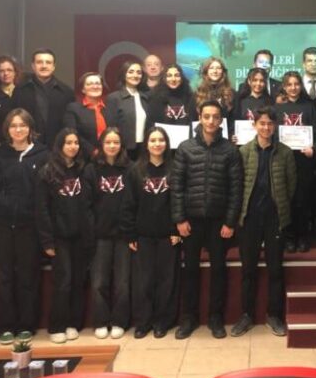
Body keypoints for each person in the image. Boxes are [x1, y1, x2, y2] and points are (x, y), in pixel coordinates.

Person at [171, 101, 242, 339]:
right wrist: (180, 219)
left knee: (218, 270)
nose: (211, 121)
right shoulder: (185, 148)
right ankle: (189, 318)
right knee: (190, 270)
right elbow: (177, 187)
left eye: (215, 117)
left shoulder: (230, 150)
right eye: (207, 116)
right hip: (191, 221)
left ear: (221, 120)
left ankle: (215, 318)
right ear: (200, 118)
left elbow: (236, 189)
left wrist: (230, 222)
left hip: (219, 222)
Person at [0, 108, 48, 345]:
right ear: (7, 129)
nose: (18, 130)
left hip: (29, 226)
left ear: (30, 128)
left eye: (22, 125)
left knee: (28, 276)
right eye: (13, 126)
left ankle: (26, 325)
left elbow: (45, 195)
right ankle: (5, 326)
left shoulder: (42, 154)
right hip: (0, 224)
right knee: (2, 277)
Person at [230, 107, 296, 338]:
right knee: (248, 269)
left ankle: (273, 315)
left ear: (275, 126)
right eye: (262, 123)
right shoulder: (244, 151)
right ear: (254, 125)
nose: (266, 127)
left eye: (269, 123)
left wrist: (280, 207)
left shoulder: (285, 152)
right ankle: (246, 315)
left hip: (275, 218)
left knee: (275, 269)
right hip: (249, 218)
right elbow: (237, 185)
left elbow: (291, 185)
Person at [122, 126, 181, 339]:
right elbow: (128, 204)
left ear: (167, 143)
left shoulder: (175, 169)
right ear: (146, 144)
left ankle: (162, 322)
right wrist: (131, 234)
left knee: (167, 281)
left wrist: (176, 229)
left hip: (168, 235)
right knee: (143, 282)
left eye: (161, 140)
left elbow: (179, 202)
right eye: (153, 140)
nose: (157, 144)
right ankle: (143, 322)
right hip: (143, 235)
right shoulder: (135, 170)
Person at [37, 128, 93, 344]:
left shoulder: (83, 170)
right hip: (59, 237)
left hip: (81, 236)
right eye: (68, 142)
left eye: (76, 143)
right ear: (60, 145)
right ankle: (57, 325)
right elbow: (41, 209)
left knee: (78, 280)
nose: (73, 146)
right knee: (63, 281)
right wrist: (47, 241)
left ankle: (73, 323)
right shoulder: (47, 172)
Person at [85, 127, 131, 340]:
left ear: (121, 145)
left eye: (116, 142)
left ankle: (120, 321)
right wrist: (92, 230)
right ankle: (101, 321)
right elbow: (86, 204)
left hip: (123, 235)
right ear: (101, 145)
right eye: (108, 142)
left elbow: (134, 202)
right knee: (99, 282)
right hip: (100, 235)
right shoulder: (91, 170)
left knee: (122, 282)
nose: (112, 146)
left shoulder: (130, 168)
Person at [275, 71, 316, 252]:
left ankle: (303, 237)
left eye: (296, 84)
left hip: (303, 161)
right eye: (289, 84)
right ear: (284, 87)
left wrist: (313, 149)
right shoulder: (277, 109)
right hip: (283, 160)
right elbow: (272, 134)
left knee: (303, 200)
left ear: (301, 86)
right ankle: (289, 237)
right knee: (286, 200)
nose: (293, 87)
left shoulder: (310, 107)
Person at [12, 48, 75, 147]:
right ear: (33, 66)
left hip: (57, 147)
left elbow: (70, 125)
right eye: (39, 62)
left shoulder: (67, 93)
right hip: (27, 145)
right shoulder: (20, 90)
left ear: (53, 66)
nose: (44, 66)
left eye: (48, 62)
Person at [106, 60, 150, 160]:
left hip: (143, 149)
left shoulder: (145, 97)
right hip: (123, 150)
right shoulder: (114, 98)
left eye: (139, 72)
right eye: (131, 72)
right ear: (124, 74)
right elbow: (111, 127)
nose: (135, 75)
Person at [63, 72, 109, 158]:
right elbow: (73, 134)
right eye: (90, 84)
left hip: (109, 155)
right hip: (83, 157)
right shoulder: (73, 108)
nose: (95, 86)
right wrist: (93, 151)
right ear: (83, 89)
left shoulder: (109, 108)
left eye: (98, 83)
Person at [147, 63, 195, 128]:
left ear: (181, 78)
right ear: (164, 78)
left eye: (177, 75)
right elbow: (151, 123)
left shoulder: (190, 97)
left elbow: (193, 121)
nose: (173, 79)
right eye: (169, 76)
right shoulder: (155, 97)